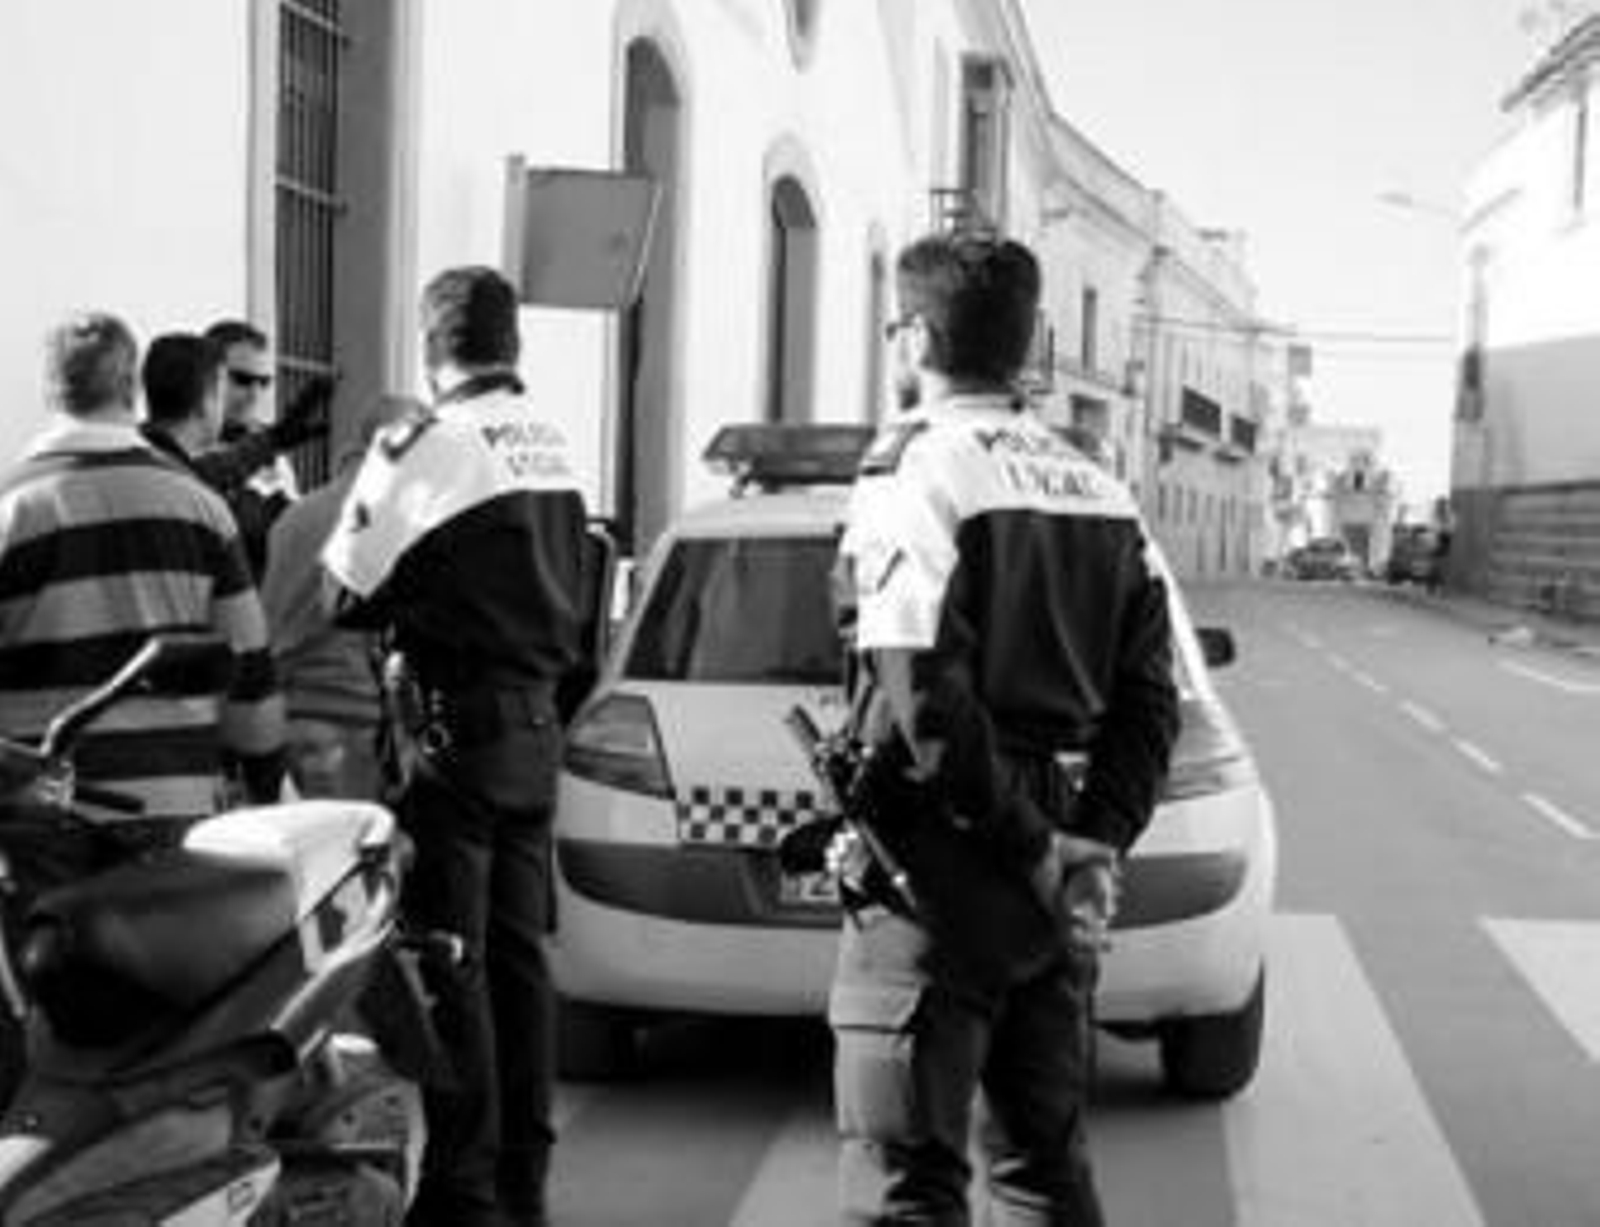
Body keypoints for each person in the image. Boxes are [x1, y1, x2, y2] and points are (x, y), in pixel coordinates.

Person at [829, 233, 1181, 1226]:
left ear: (910, 338)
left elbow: (919, 695)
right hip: (1050, 874)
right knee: (1042, 1173)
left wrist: (1030, 849)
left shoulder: (914, 467)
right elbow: (1150, 705)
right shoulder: (1100, 488)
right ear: (1026, 345)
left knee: (905, 1184)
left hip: (939, 870)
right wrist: (1089, 847)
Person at [322, 266, 589, 1227]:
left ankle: (463, 1186)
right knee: (520, 962)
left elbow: (339, 591)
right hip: (534, 728)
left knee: (449, 961)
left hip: (453, 736)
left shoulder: (425, 441)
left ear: (430, 349)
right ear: (511, 343)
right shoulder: (554, 442)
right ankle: (526, 1179)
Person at [0, 312, 288, 825]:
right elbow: (248, 676)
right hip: (174, 811)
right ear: (132, 388)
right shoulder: (200, 508)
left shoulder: (11, 508)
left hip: (37, 818)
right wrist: (266, 792)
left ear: (49, 392)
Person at [261, 394, 420, 800]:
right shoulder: (391, 521)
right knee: (349, 856)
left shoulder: (294, 516)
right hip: (349, 721)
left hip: (287, 717)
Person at [203, 319, 323, 577]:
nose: (255, 394)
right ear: (206, 377)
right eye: (242, 379)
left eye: (264, 382)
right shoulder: (180, 447)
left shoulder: (275, 452)